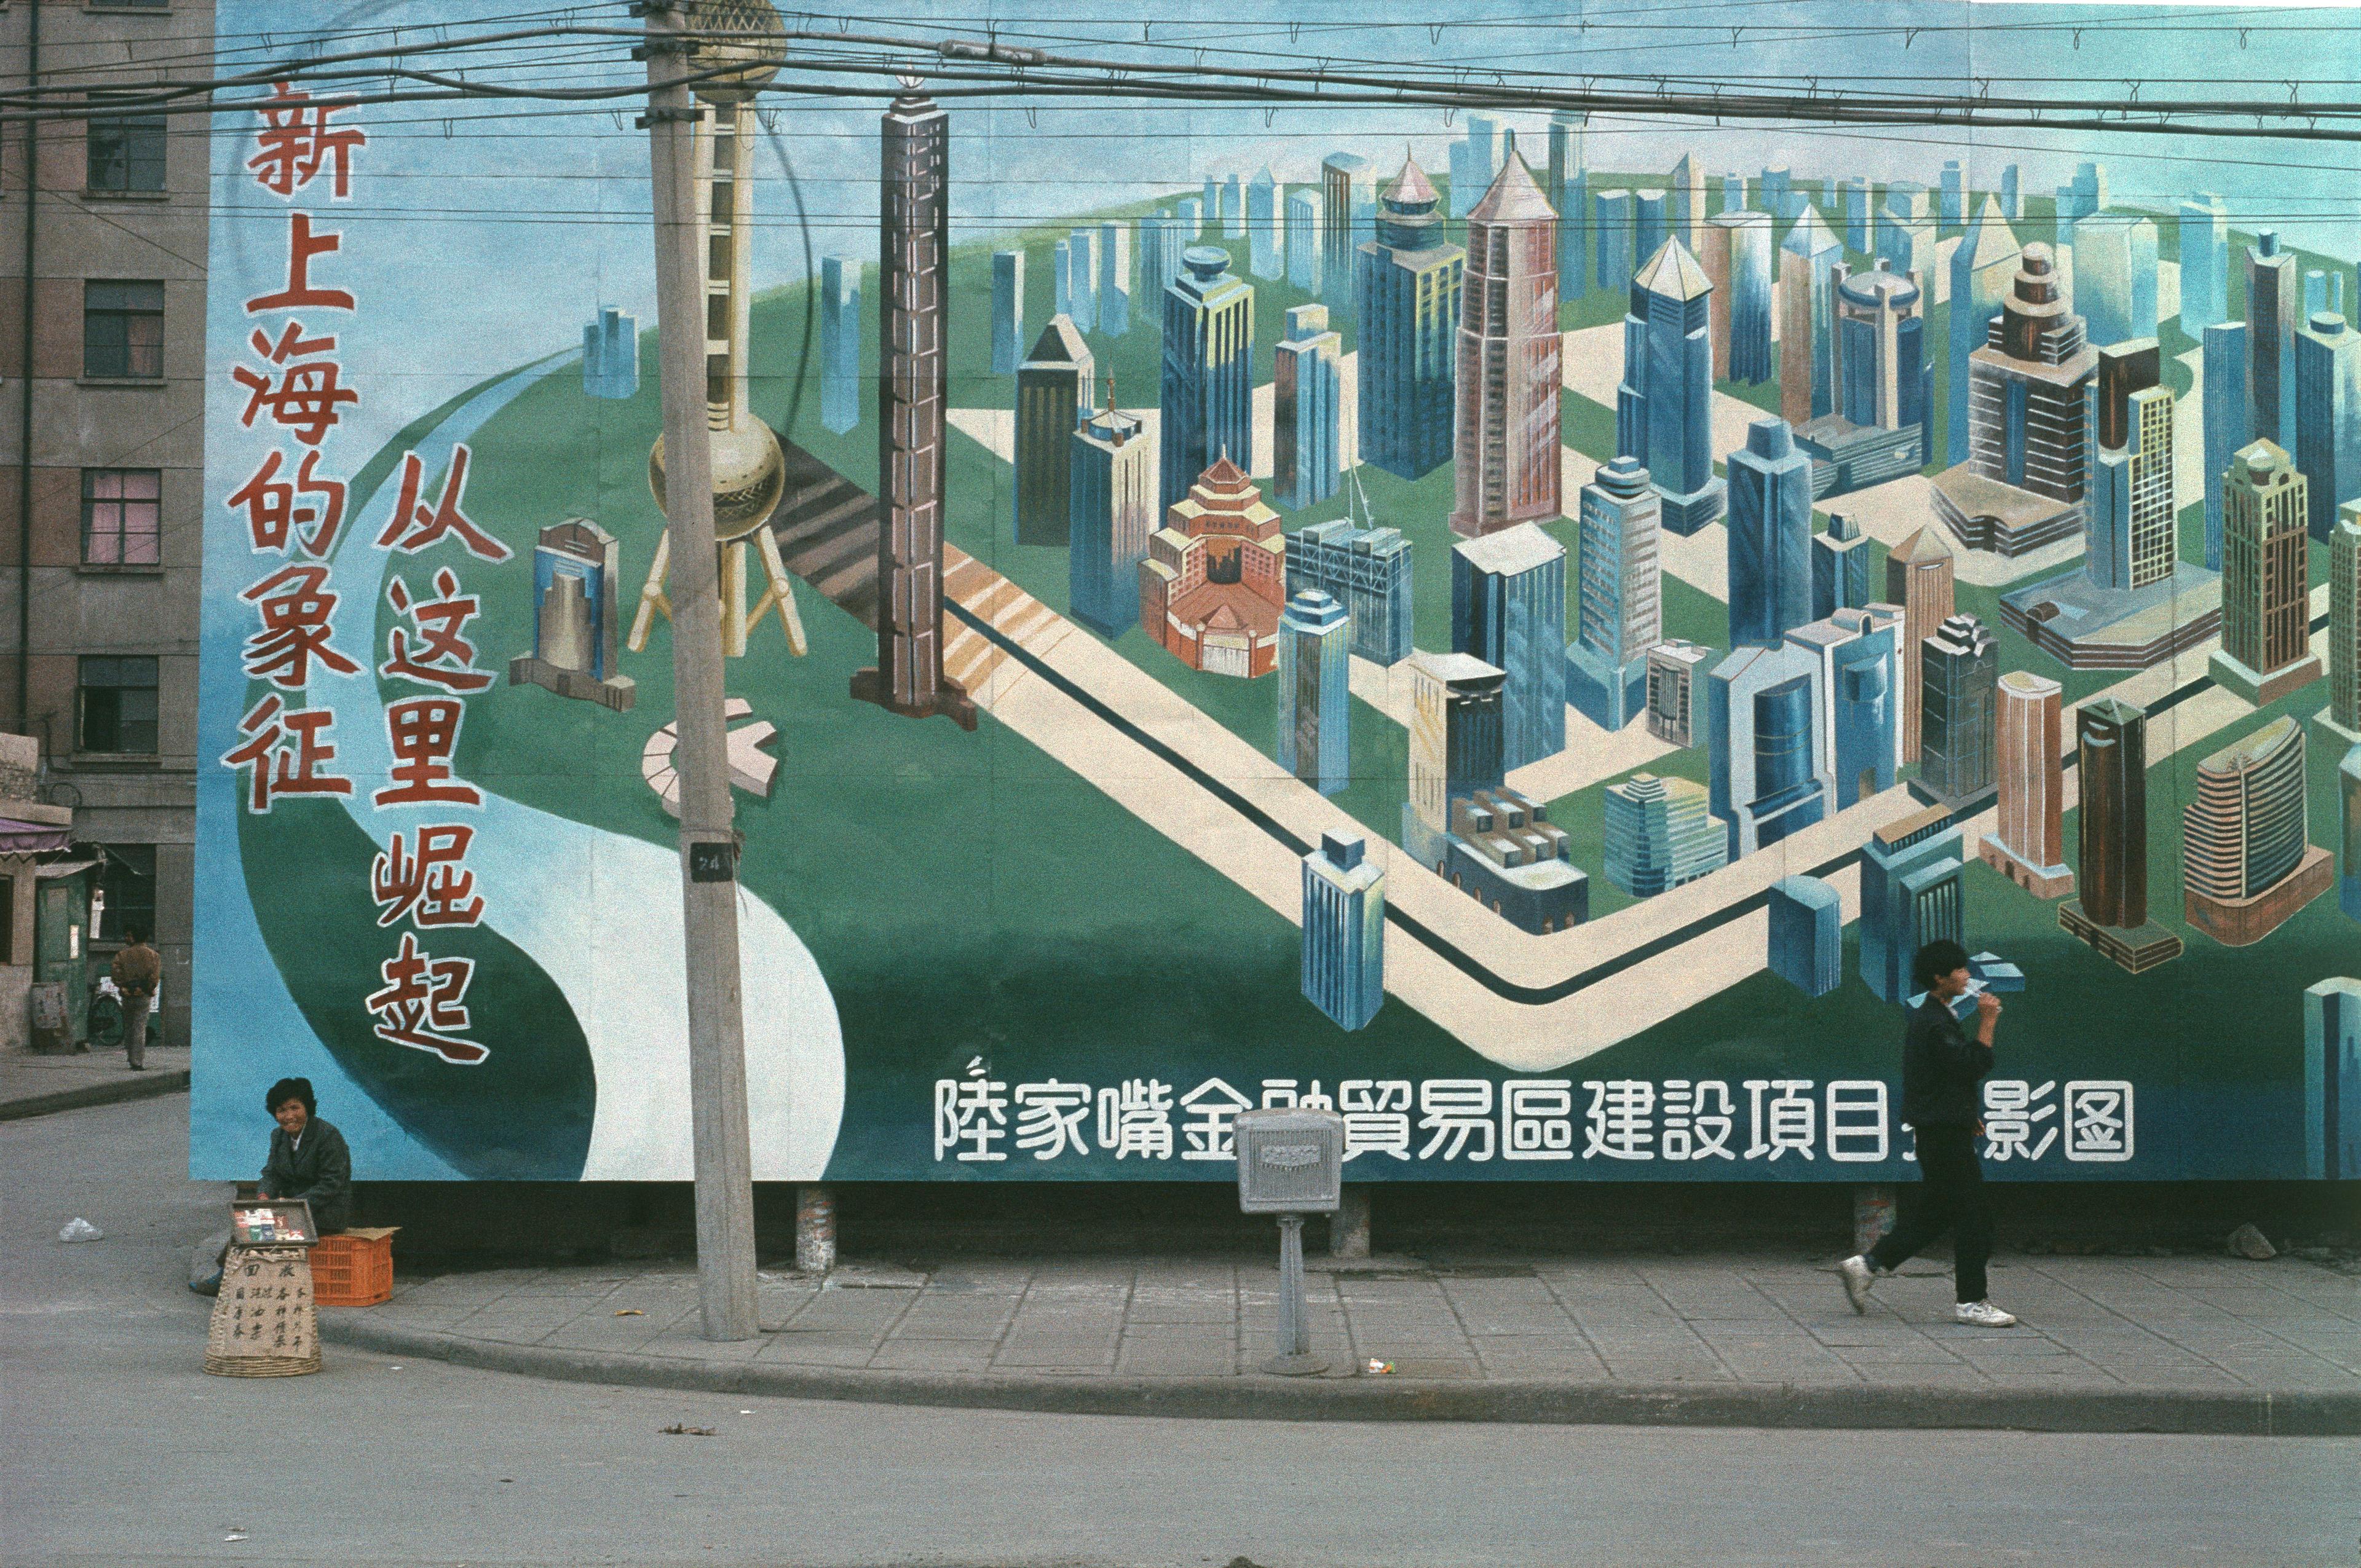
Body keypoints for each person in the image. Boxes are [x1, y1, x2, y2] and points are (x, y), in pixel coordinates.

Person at [1838, 939, 2019, 1328]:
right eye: (1960, 970)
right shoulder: (1934, 1022)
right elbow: (1969, 1066)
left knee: (1938, 1213)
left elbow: (1940, 1079)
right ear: (1940, 978)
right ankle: (1972, 1302)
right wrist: (1988, 1022)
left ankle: (1868, 1264)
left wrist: (1965, 1114)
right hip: (1942, 1134)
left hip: (1943, 1127)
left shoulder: (1937, 1016)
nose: (1967, 976)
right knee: (1976, 1217)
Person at [259, 1078, 353, 1234]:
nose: (289, 1116)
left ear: (307, 1108)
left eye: (294, 1108)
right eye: (282, 1110)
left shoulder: (328, 1135)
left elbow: (331, 1184)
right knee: (246, 1232)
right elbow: (272, 1174)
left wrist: (291, 1205)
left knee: (271, 1233)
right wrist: (264, 1196)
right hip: (291, 1212)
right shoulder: (278, 1136)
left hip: (325, 1215)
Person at [109, 926, 160, 1071]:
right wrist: (145, 988)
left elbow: (115, 973)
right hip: (143, 995)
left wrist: (123, 986)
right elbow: (154, 978)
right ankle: (137, 1060)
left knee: (129, 1025)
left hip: (127, 994)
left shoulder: (122, 955)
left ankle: (131, 1055)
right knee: (140, 1027)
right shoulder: (153, 955)